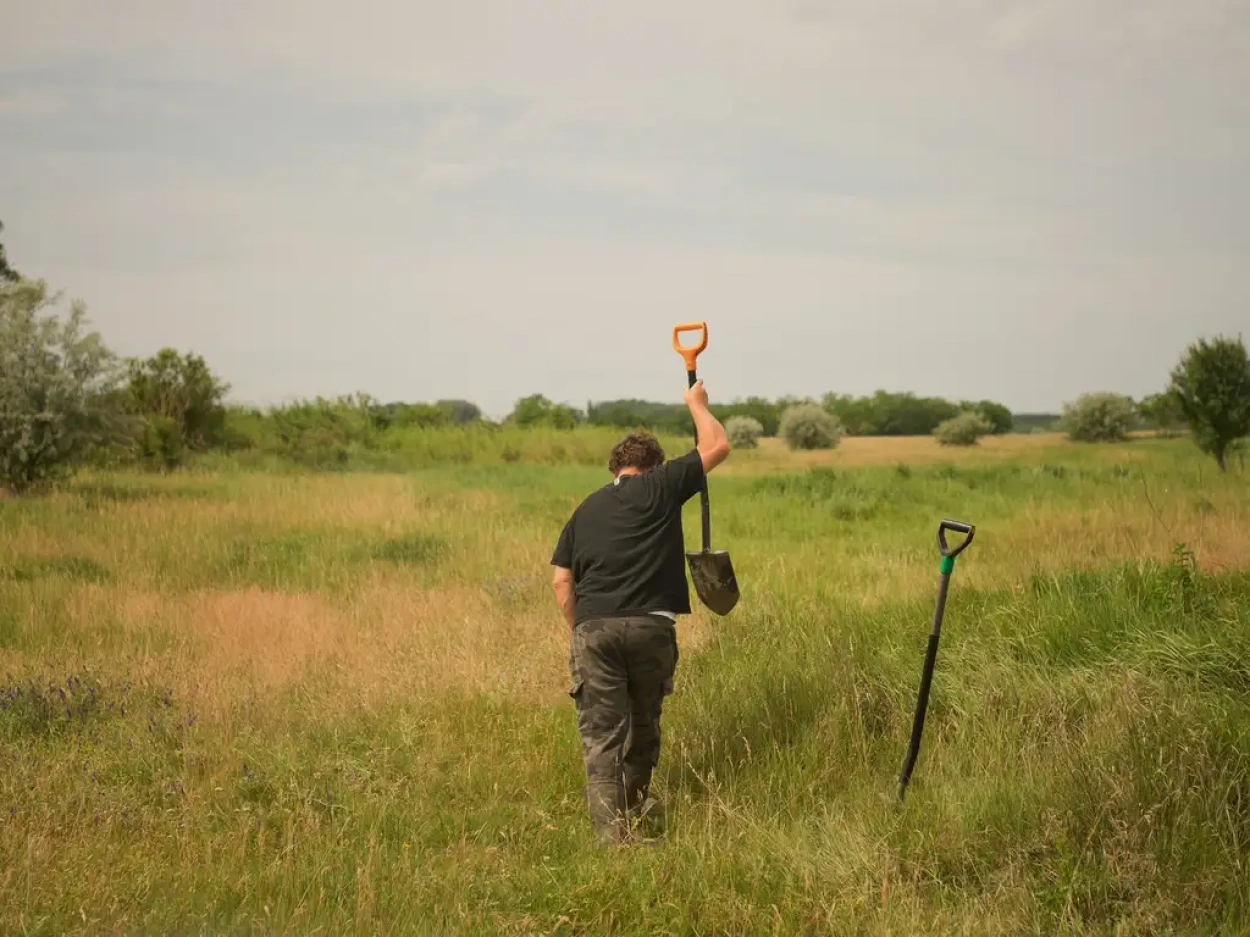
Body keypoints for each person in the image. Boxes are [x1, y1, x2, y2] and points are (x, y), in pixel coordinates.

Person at [549, 379, 731, 846]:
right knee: (643, 724)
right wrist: (696, 404)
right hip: (652, 627)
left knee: (603, 734)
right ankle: (630, 810)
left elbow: (560, 580)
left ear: (616, 468)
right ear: (654, 466)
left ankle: (614, 834)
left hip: (593, 627)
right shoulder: (662, 486)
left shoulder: (585, 509)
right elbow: (717, 445)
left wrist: (582, 631)